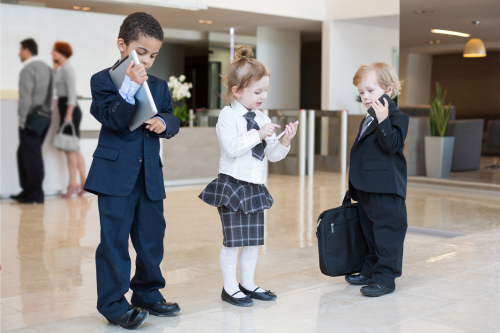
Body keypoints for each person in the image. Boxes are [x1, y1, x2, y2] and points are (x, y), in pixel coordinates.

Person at [83, 12, 181, 329]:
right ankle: (113, 305)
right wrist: (129, 86)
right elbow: (112, 119)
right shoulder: (102, 81)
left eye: (154, 55)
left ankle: (147, 294)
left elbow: (172, 118)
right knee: (114, 242)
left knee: (151, 238)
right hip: (114, 178)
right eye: (142, 52)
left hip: (150, 177)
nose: (148, 61)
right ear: (122, 45)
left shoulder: (160, 86)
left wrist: (165, 122)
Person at [199, 46, 298, 307]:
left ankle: (248, 284)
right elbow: (231, 148)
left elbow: (272, 155)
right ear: (237, 90)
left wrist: (285, 141)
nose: (263, 96)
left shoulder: (262, 117)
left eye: (265, 90)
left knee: (252, 242)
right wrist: (259, 134)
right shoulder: (228, 115)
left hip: (255, 186)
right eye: (257, 91)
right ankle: (230, 288)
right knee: (233, 242)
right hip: (232, 185)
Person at [345, 62, 409, 297]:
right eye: (361, 92)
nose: (365, 96)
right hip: (366, 187)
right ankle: (370, 268)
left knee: (387, 232)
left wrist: (383, 121)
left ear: (388, 90)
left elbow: (392, 145)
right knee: (369, 231)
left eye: (370, 90)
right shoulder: (368, 118)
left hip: (386, 188)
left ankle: (385, 278)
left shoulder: (397, 117)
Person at [12, 38, 53, 204]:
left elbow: (25, 98)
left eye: (20, 50)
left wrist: (22, 121)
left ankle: (35, 194)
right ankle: (28, 190)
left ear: (27, 50)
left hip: (30, 118)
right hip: (44, 117)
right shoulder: (47, 68)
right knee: (24, 153)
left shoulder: (28, 69)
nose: (19, 53)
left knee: (31, 156)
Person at [51, 41, 87, 198]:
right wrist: (54, 68)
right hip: (67, 110)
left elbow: (71, 94)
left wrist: (67, 116)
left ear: (60, 52)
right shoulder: (62, 69)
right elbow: (56, 86)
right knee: (74, 147)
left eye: (54, 51)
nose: (52, 53)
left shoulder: (68, 70)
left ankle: (73, 184)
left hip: (70, 111)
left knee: (70, 149)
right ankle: (84, 182)